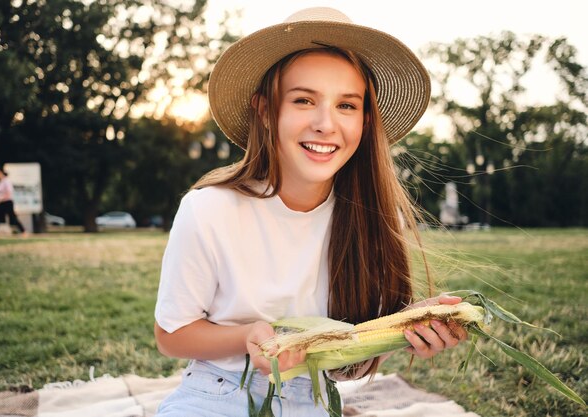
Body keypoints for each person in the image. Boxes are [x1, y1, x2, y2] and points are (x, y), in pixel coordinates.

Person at [154, 7, 467, 417]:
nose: (325, 123)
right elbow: (171, 335)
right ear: (266, 110)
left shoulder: (371, 215)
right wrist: (250, 336)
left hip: (316, 400)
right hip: (218, 392)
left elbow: (350, 360)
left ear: (365, 121)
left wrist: (406, 328)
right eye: (304, 100)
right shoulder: (210, 208)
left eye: (346, 106)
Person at [0, 167, 26, 237]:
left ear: (1, 172)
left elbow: (9, 191)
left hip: (7, 202)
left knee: (12, 218)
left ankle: (23, 231)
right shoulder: (1, 182)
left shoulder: (6, 181)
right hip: (2, 203)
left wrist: (2, 198)